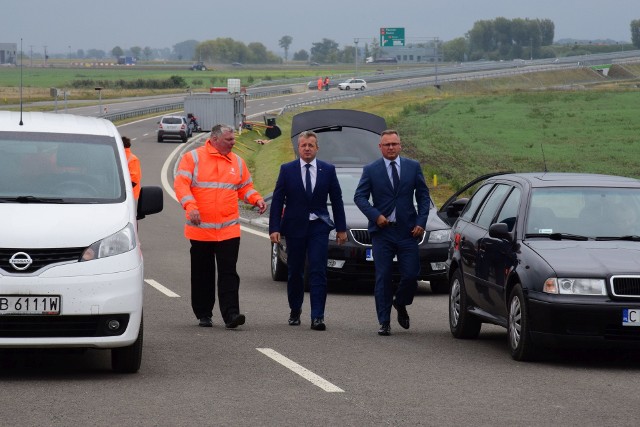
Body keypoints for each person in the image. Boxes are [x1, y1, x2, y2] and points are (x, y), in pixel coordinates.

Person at [174, 124, 267, 329]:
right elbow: (181, 185)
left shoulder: (238, 162)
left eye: (233, 139)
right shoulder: (193, 158)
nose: (234, 142)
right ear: (215, 139)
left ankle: (231, 315)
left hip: (228, 229)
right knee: (202, 273)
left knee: (229, 273)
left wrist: (256, 199)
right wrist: (190, 206)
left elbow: (245, 187)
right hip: (201, 228)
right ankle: (204, 314)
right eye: (229, 140)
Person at [353, 130, 430, 336]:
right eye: (387, 144)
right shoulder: (371, 170)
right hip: (383, 232)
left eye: (394, 144)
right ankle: (384, 321)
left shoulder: (413, 167)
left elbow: (423, 197)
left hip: (408, 232)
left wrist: (421, 221)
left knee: (411, 275)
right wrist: (375, 215)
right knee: (384, 276)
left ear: (400, 145)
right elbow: (360, 197)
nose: (391, 147)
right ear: (380, 147)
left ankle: (401, 302)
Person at [269, 131, 347, 331]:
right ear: (298, 148)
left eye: (311, 145)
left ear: (317, 148)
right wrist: (274, 228)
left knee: (318, 270)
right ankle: (295, 310)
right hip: (294, 227)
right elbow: (277, 200)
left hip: (318, 227)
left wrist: (341, 228)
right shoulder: (287, 170)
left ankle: (317, 316)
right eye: (303, 145)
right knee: (295, 271)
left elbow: (337, 200)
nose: (307, 149)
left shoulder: (327, 170)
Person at [122, 136, 141, 200]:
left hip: (129, 195)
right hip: (129, 195)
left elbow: (134, 179)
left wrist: (123, 191)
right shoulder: (132, 158)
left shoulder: (132, 159)